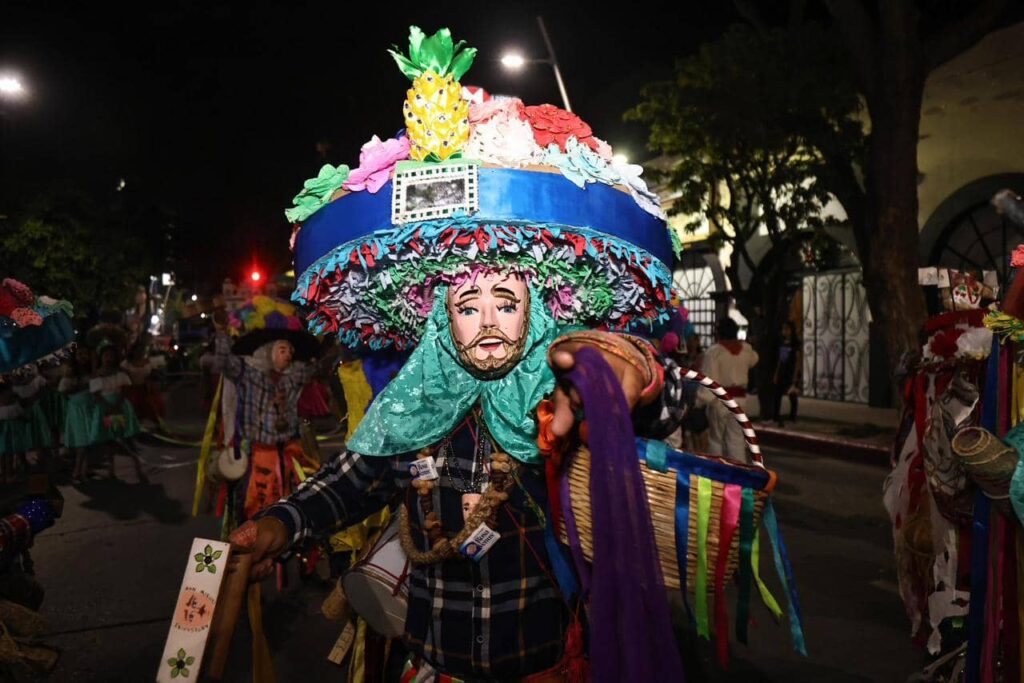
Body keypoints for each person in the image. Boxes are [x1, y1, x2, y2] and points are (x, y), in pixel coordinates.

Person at [223, 26, 694, 681]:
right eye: (467, 307)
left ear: (538, 307)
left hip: (548, 663)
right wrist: (281, 521)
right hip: (433, 665)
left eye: (506, 300)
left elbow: (670, 404)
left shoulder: (562, 391)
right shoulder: (417, 402)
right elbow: (354, 480)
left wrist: (627, 371)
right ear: (441, 319)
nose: (488, 322)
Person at [210, 312, 320, 523]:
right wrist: (222, 333)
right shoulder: (249, 375)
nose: (288, 354)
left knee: (287, 507)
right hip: (260, 456)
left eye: (290, 350)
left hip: (288, 453)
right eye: (282, 349)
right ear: (269, 352)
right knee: (256, 509)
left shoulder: (293, 378)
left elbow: (320, 365)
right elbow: (224, 362)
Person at [699, 317, 759, 462]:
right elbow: (755, 360)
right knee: (737, 440)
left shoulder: (714, 352)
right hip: (740, 401)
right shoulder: (746, 349)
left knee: (716, 440)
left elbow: (708, 380)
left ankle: (716, 474)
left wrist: (701, 400)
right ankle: (738, 475)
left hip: (720, 401)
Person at [89, 342, 143, 481]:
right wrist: (107, 407)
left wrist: (117, 405)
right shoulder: (96, 375)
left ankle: (139, 468)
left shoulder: (120, 373)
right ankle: (111, 470)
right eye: (106, 355)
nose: (109, 358)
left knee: (126, 438)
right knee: (110, 440)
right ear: (101, 357)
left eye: (111, 355)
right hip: (105, 408)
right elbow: (96, 394)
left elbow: (125, 390)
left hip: (120, 407)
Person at [60, 347, 97, 482]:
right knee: (82, 440)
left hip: (89, 406)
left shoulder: (90, 371)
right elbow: (63, 391)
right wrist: (81, 387)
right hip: (77, 408)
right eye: (80, 354)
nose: (83, 357)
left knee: (87, 439)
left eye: (86, 353)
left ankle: (84, 468)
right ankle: (77, 471)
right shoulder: (70, 373)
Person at [773, 320, 803, 426]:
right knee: (777, 393)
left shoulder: (795, 344)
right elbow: (781, 360)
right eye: (783, 329)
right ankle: (776, 415)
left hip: (791, 371)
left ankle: (792, 416)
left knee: (792, 395)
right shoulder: (783, 342)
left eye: (786, 329)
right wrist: (776, 373)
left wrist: (796, 376)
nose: (784, 331)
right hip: (782, 371)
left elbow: (798, 360)